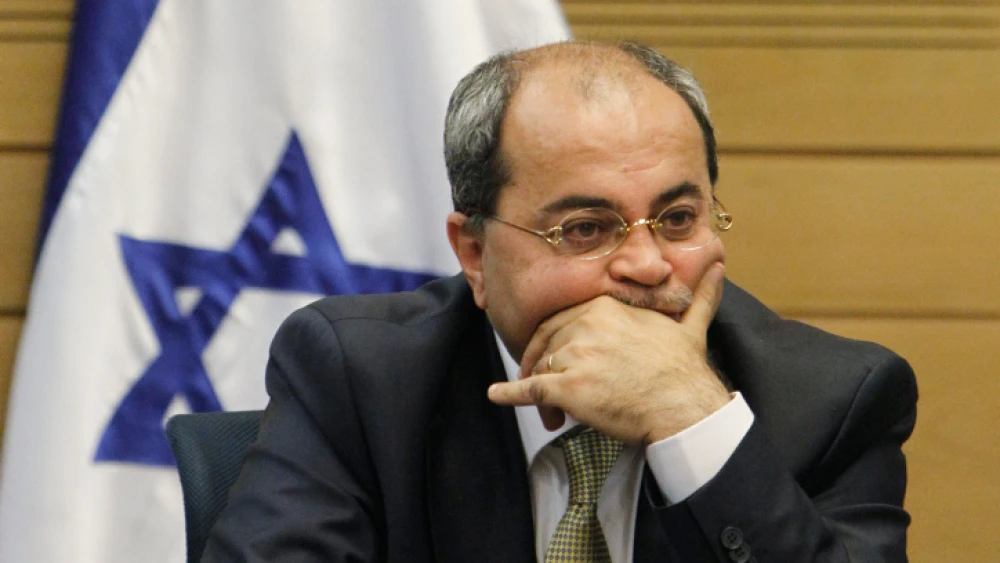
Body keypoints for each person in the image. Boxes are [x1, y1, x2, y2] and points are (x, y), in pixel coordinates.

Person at [203, 41, 917, 562]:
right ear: (475, 254)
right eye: (585, 229)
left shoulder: (831, 402)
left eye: (676, 219)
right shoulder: (361, 379)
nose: (646, 263)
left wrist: (693, 419)